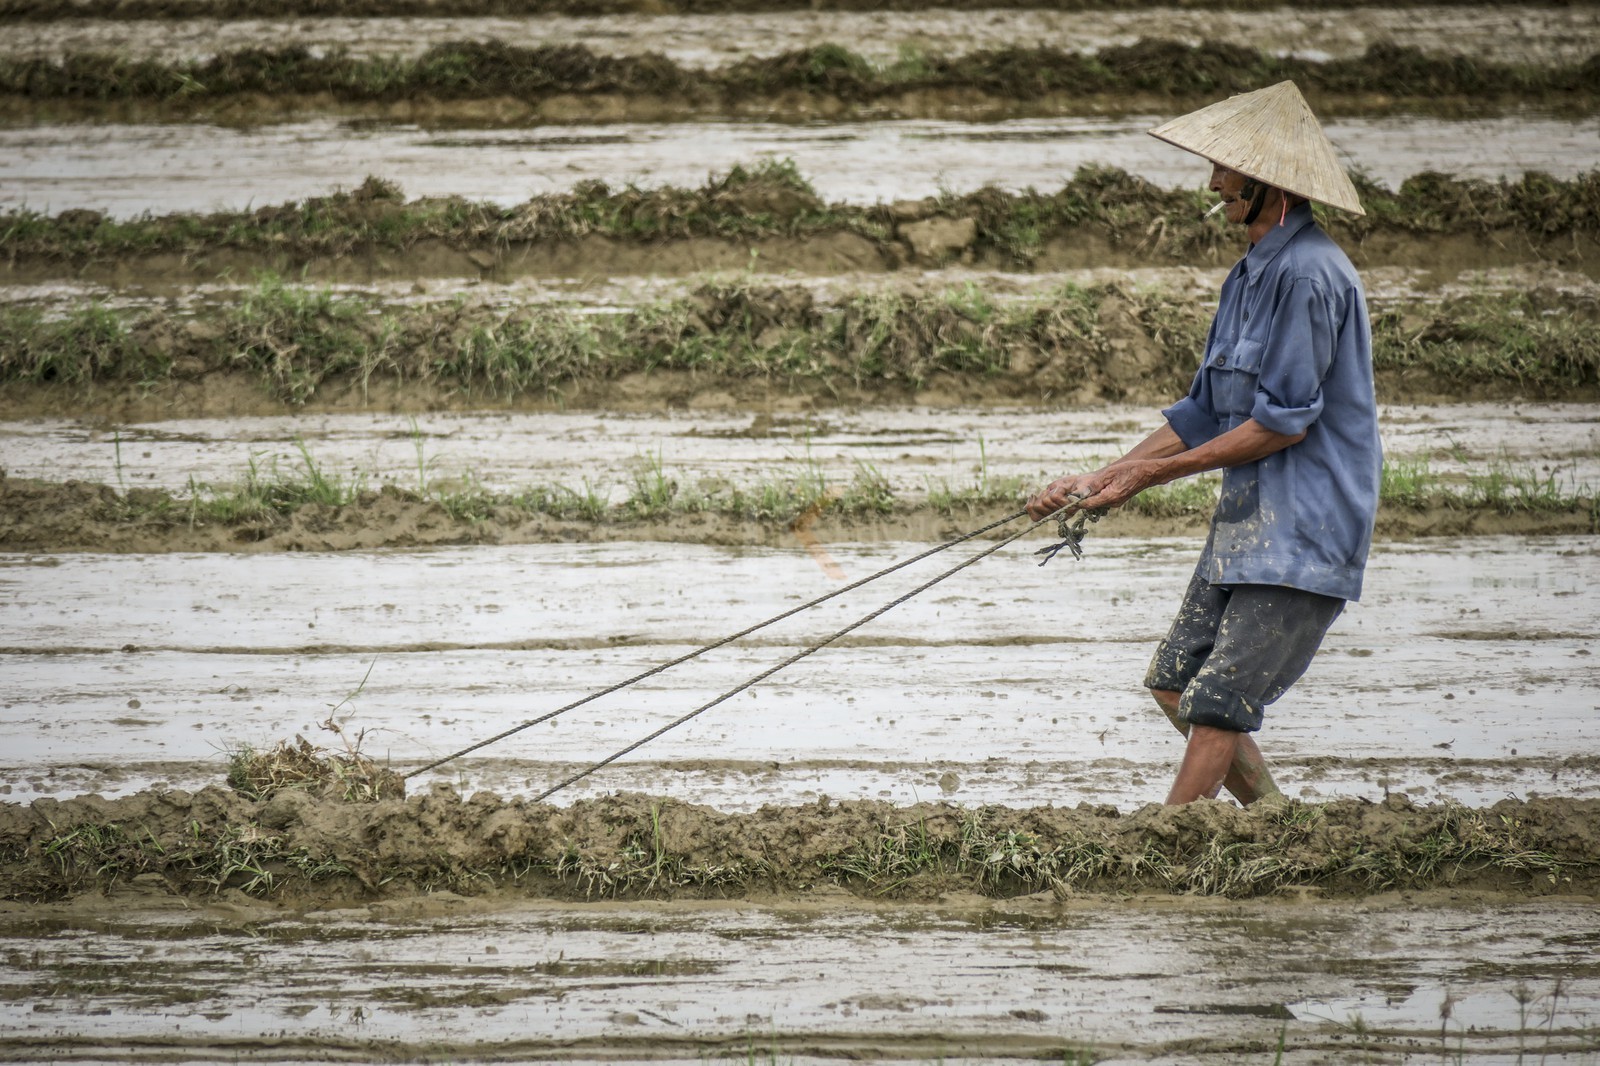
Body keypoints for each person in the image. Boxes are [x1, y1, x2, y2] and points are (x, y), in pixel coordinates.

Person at [1026, 81, 1381, 806]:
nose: (1214, 182)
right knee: (1175, 681)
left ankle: (1168, 838)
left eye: (1228, 170)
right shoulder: (1249, 275)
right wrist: (1103, 476)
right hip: (1251, 520)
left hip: (1307, 527)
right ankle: (1277, 824)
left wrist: (1146, 480)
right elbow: (1204, 412)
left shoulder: (1312, 277)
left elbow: (1284, 422)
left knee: (1218, 699)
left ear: (1270, 185)